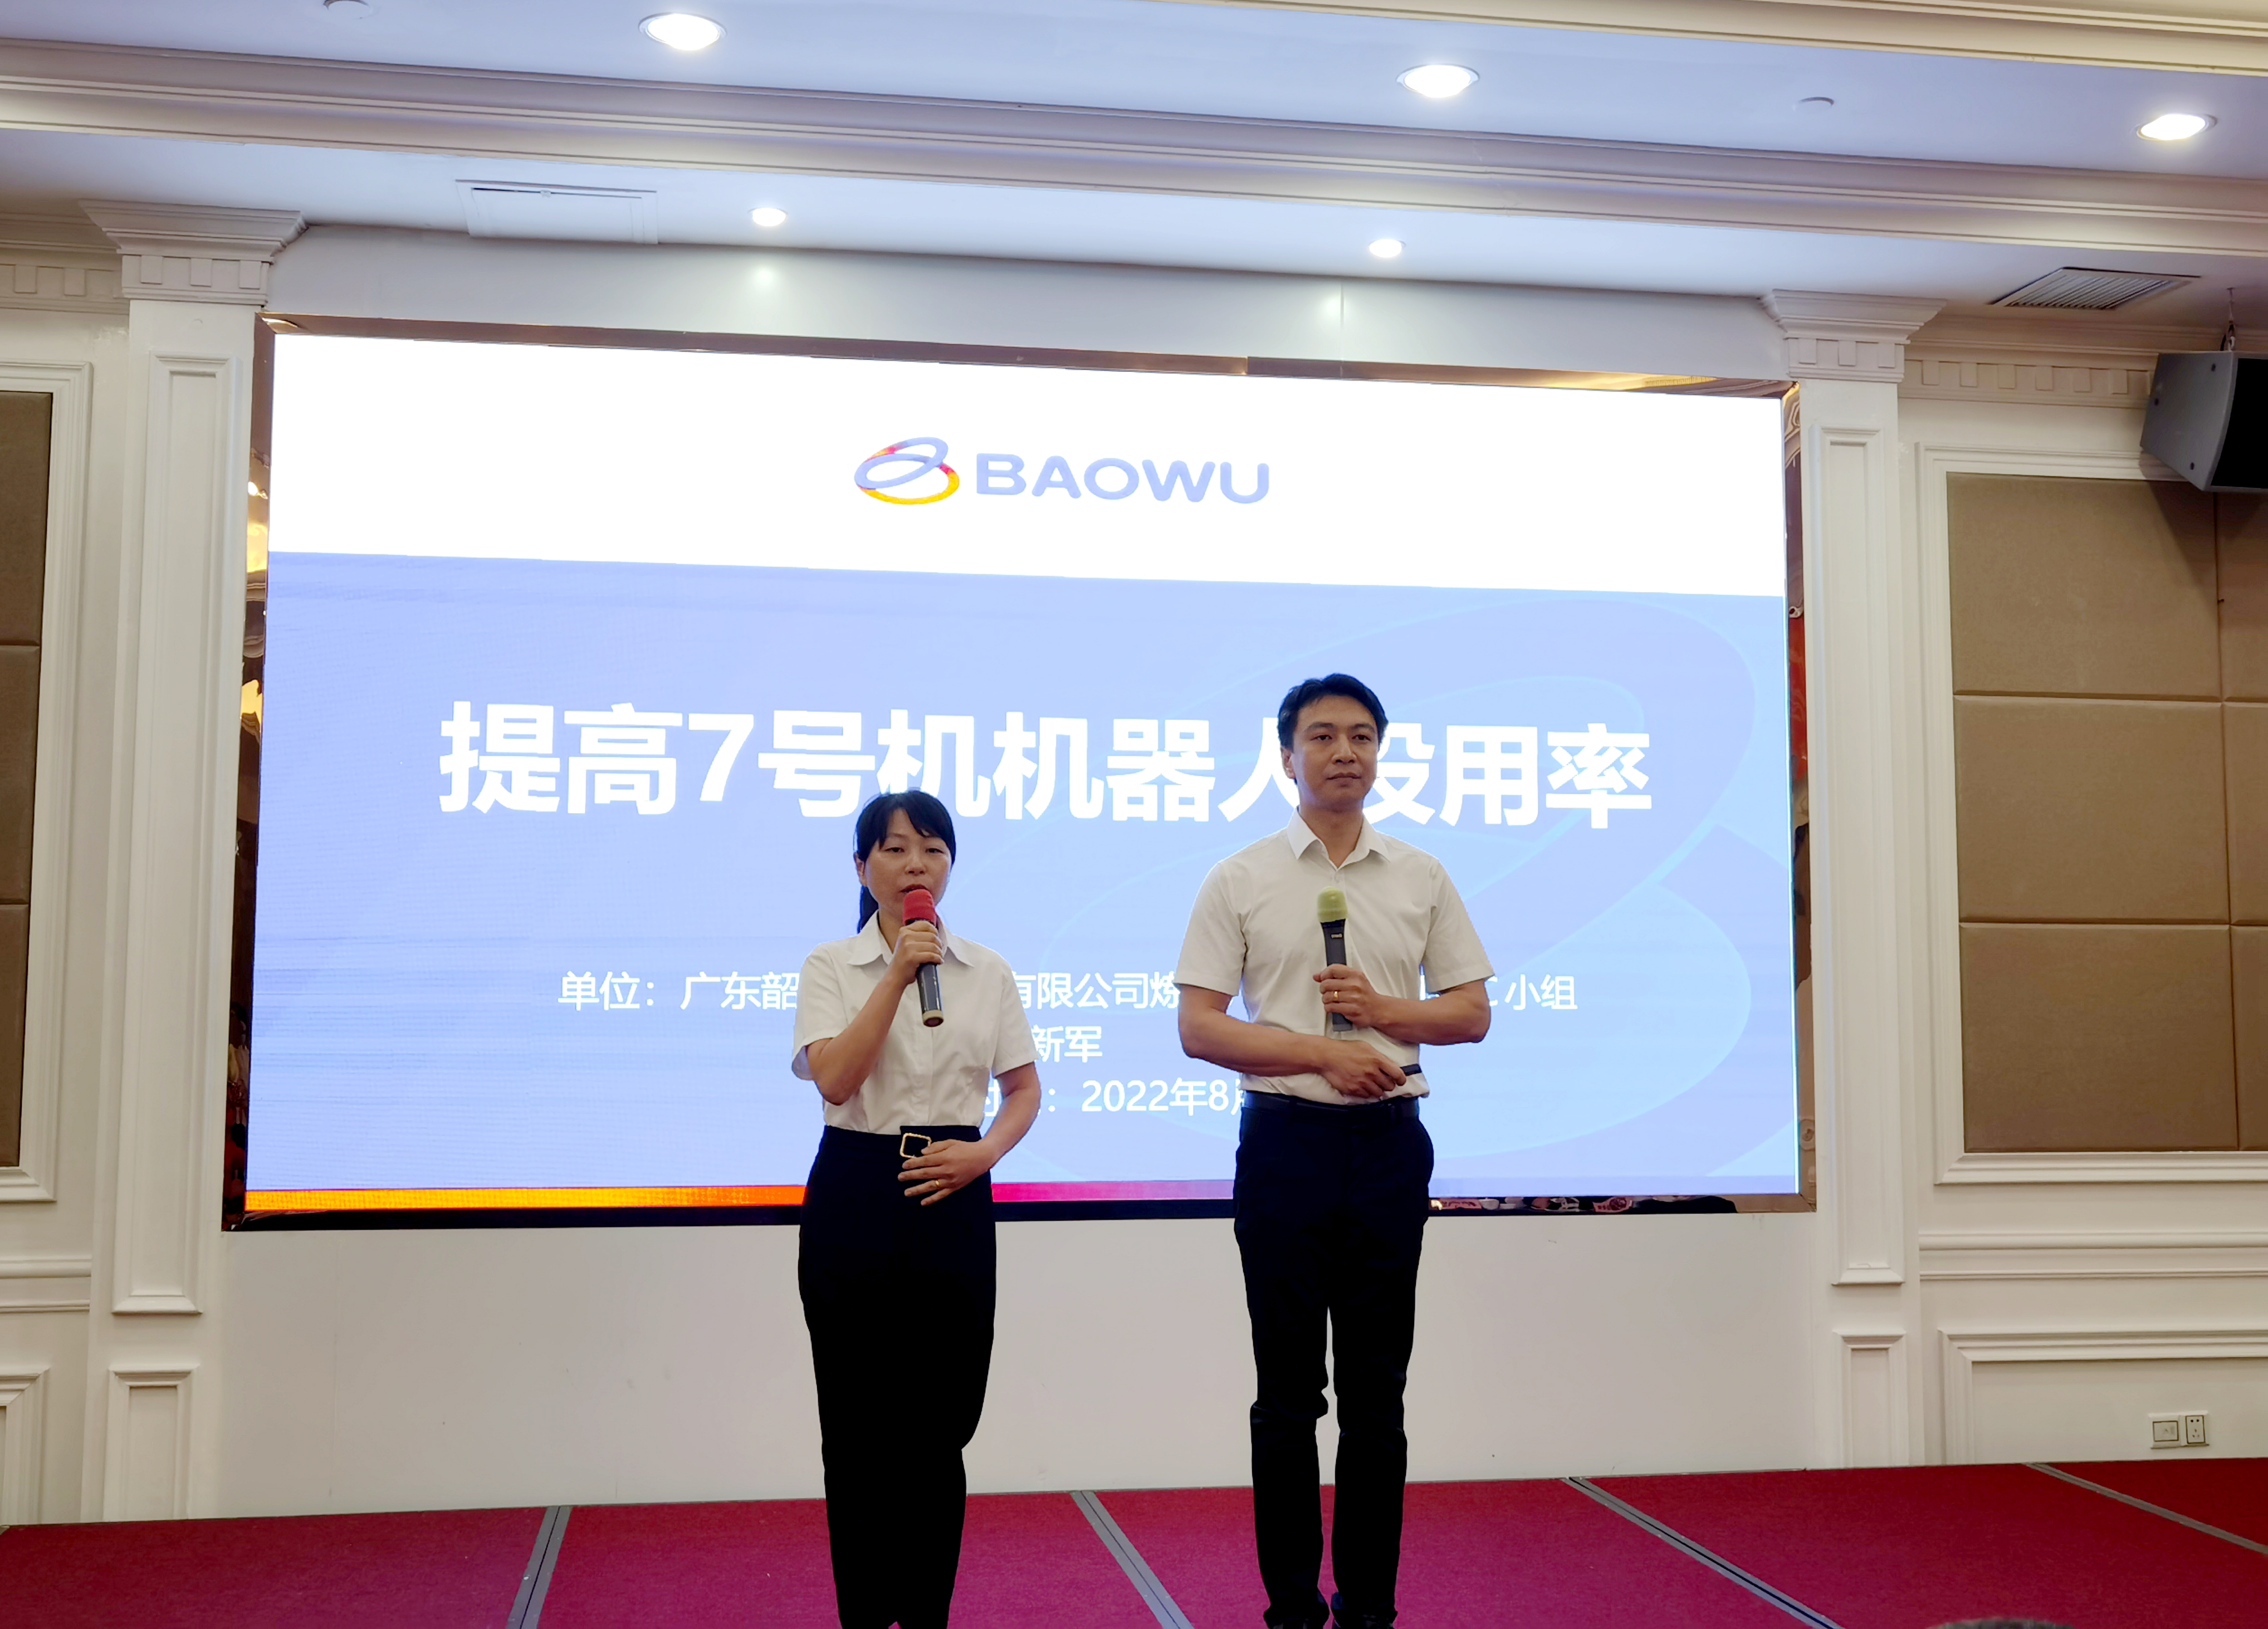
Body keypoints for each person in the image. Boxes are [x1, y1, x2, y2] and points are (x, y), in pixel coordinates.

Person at [1175, 674, 1494, 1629]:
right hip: (1286, 1145)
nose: (1344, 751)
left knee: (1376, 1394)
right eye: (1322, 736)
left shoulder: (1421, 874)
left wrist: (1384, 1014)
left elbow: (1471, 1012)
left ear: (1380, 751)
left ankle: (1369, 1607)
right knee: (1286, 1395)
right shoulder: (1239, 877)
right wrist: (1323, 1052)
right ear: (1287, 757)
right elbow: (1199, 1027)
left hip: (1389, 1147)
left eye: (1361, 735)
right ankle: (1290, 1607)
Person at [790, 790, 1042, 1629]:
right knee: (857, 1427)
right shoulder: (832, 965)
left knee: (942, 1425)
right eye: (895, 849)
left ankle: (926, 1614)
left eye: (933, 849)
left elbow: (1023, 1089)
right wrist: (897, 972)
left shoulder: (987, 970)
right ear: (862, 867)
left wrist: (985, 1151)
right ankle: (866, 1616)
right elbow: (835, 1079)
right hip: (859, 1188)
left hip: (957, 1189)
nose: (915, 866)